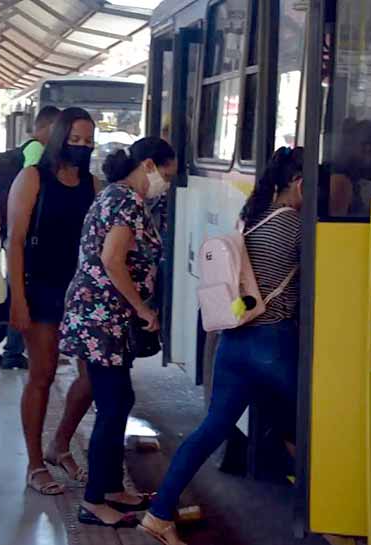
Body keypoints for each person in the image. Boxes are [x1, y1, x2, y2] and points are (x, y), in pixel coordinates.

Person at [141, 147, 304, 545]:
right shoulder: (296, 226)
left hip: (235, 342)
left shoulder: (253, 217)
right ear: (300, 184)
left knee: (212, 429)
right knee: (316, 424)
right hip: (272, 343)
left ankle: (159, 514)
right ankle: (326, 518)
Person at [60, 138, 177, 527]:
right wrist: (142, 307)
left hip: (105, 317)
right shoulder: (126, 202)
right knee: (112, 406)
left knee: (119, 399)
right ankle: (94, 501)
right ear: (148, 165)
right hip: (102, 317)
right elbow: (112, 260)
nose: (166, 182)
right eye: (166, 173)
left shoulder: (117, 195)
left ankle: (110, 487)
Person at [8, 107, 100, 495]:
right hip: (41, 286)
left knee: (94, 374)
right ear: (59, 137)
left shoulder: (92, 184)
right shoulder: (33, 178)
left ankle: (59, 443)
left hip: (79, 290)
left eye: (88, 141)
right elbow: (14, 241)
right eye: (74, 139)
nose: (80, 147)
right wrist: (18, 299)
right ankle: (33, 463)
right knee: (42, 376)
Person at [0, 105, 61, 369]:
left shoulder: (31, 149)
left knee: (17, 290)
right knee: (21, 292)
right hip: (23, 232)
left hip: (18, 229)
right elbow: (36, 190)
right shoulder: (36, 150)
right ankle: (10, 351)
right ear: (48, 127)